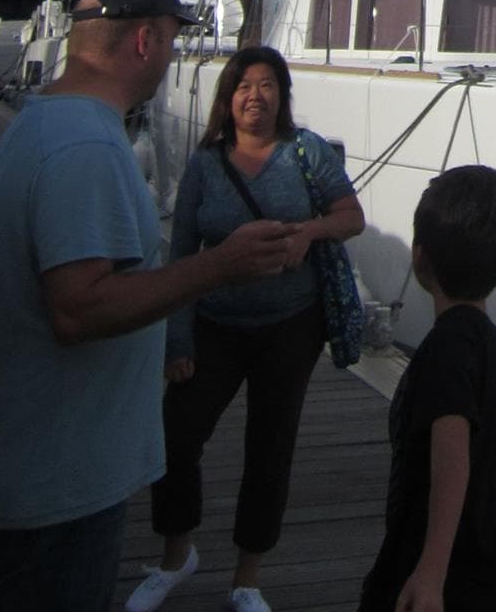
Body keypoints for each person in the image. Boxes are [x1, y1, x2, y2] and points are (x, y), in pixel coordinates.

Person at [0, 0, 294, 612]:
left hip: (34, 477)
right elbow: (79, 309)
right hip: (53, 495)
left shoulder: (46, 121)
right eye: (171, 39)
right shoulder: (83, 144)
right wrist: (218, 266)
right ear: (146, 42)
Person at [127, 45, 365, 612]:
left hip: (290, 326)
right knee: (176, 438)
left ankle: (247, 577)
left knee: (270, 448)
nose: (254, 96)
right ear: (227, 99)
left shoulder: (305, 151)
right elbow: (182, 250)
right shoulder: (206, 163)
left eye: (265, 85)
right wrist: (177, 339)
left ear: (281, 95)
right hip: (216, 324)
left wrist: (308, 233)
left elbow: (350, 217)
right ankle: (175, 556)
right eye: (242, 87)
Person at [357, 166, 496, 612]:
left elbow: (452, 453)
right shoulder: (493, 343)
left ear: (420, 258)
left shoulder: (448, 347)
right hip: (488, 553)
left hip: (444, 568)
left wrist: (430, 573)